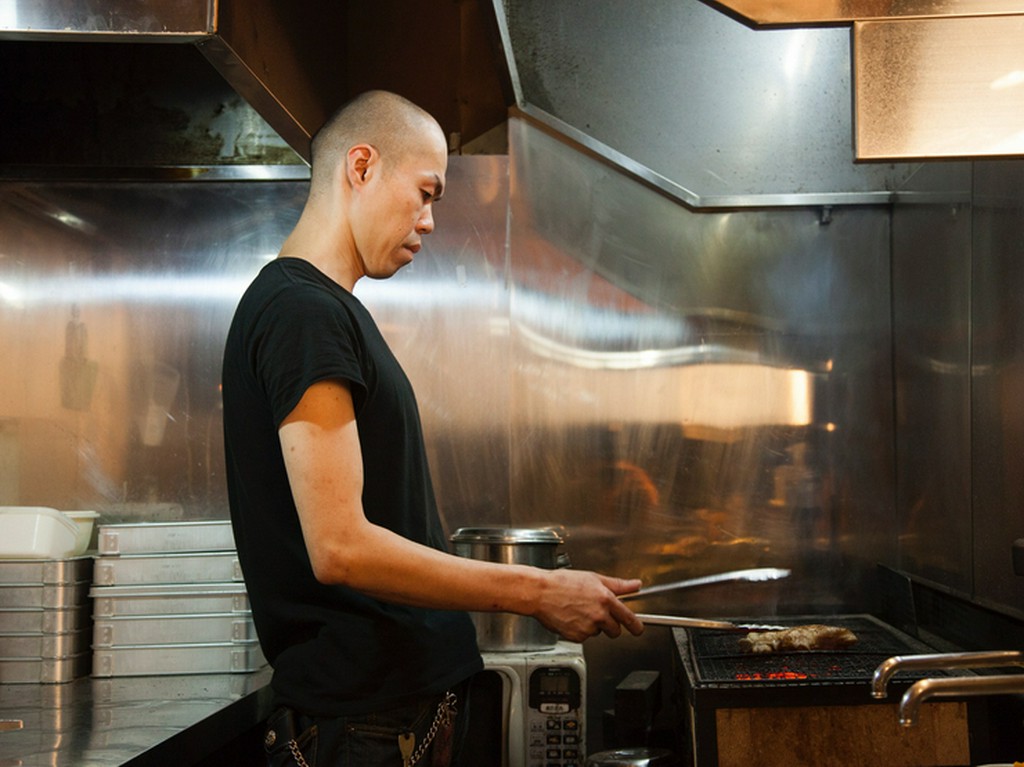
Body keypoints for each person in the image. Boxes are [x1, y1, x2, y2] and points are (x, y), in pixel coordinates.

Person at [221, 90, 644, 767]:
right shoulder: (303, 312)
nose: (428, 220)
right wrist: (539, 591)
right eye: (424, 193)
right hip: (363, 727)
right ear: (361, 166)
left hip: (387, 717)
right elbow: (340, 547)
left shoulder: (324, 309)